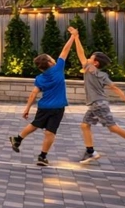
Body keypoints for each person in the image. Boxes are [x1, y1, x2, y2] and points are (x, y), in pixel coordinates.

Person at [69, 27, 125, 165]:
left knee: (113, 128)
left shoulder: (90, 70)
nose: (87, 59)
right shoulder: (102, 74)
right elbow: (114, 87)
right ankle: (90, 152)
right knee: (85, 125)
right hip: (97, 104)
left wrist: (76, 37)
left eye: (90, 58)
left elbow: (80, 53)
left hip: (98, 104)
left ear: (95, 63)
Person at [10, 32, 76, 166]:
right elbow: (65, 50)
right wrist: (73, 36)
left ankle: (18, 139)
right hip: (57, 108)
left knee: (35, 124)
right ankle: (42, 156)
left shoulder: (40, 78)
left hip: (44, 107)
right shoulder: (58, 68)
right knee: (50, 132)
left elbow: (33, 94)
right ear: (51, 62)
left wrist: (27, 108)